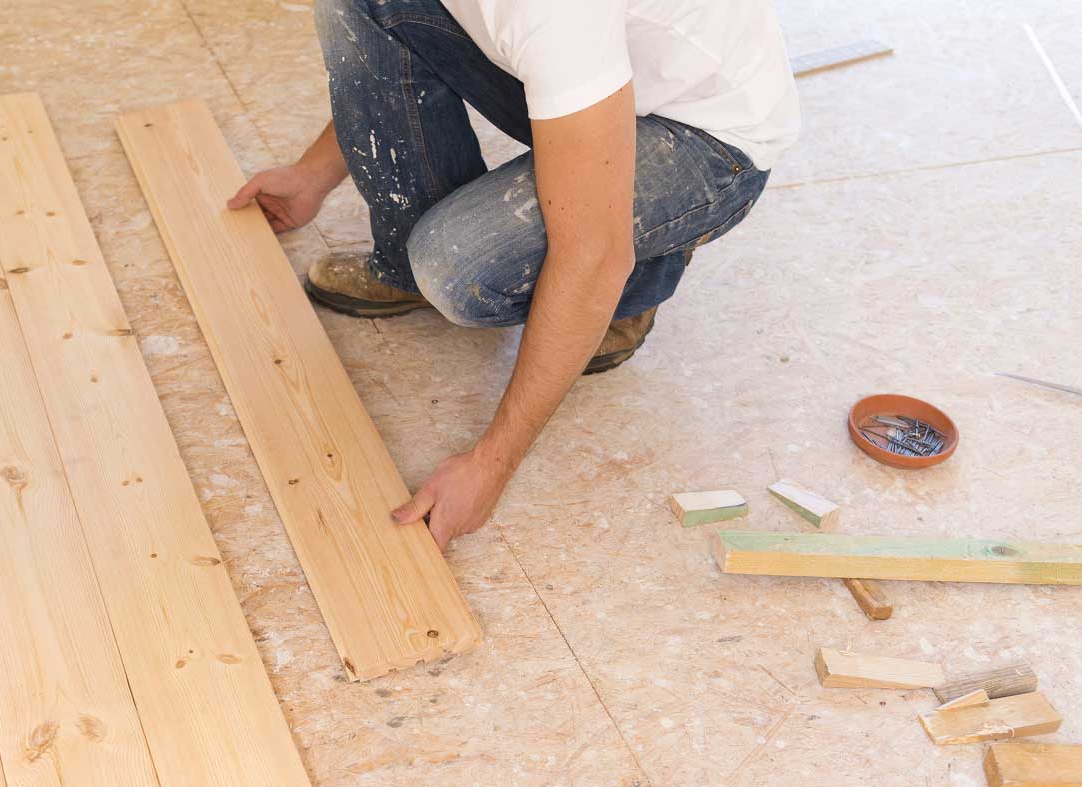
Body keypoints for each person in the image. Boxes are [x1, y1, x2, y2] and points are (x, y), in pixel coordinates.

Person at [228, 0, 799, 549]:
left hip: (706, 134)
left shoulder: (553, 12)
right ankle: (403, 262)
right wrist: (312, 175)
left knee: (455, 268)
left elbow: (591, 252)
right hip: (605, 75)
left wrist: (491, 464)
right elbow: (390, 41)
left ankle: (630, 294)